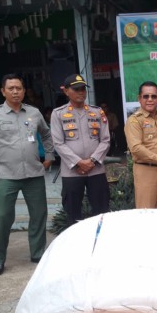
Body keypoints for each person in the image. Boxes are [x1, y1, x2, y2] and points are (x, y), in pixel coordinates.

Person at [0, 74, 55, 276]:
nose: (15, 92)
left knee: (38, 214)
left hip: (33, 173)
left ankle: (37, 253)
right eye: (11, 88)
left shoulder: (34, 112)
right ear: (3, 91)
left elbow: (46, 134)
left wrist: (49, 155)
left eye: (19, 88)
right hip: (6, 175)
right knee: (2, 217)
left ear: (23, 91)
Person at [51, 74, 110, 227]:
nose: (81, 92)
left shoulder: (97, 112)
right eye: (76, 89)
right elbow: (58, 143)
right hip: (72, 171)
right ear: (66, 91)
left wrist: (91, 161)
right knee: (73, 213)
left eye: (83, 89)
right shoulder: (58, 114)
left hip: (96, 170)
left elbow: (105, 140)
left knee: (101, 211)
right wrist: (79, 162)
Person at [124, 81, 157, 209]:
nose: (150, 99)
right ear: (139, 99)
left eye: (153, 96)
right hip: (146, 171)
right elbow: (136, 148)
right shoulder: (134, 120)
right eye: (146, 96)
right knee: (146, 212)